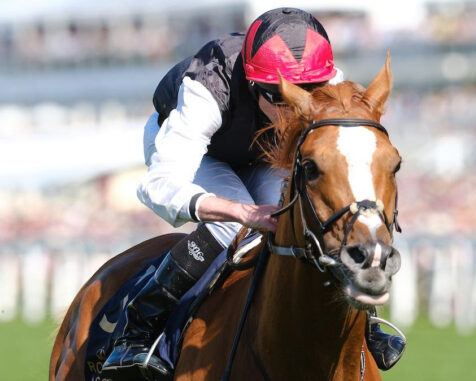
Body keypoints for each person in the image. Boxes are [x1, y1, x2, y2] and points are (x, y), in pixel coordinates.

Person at [101, 7, 405, 380]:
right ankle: (139, 326)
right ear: (254, 85)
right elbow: (159, 186)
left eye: (310, 92)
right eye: (282, 96)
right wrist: (240, 213)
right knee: (233, 228)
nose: (299, 107)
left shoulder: (328, 81)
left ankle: (363, 323)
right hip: (202, 153)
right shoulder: (207, 87)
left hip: (261, 151)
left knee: (304, 216)